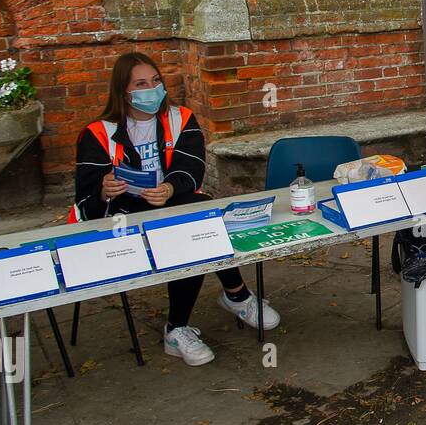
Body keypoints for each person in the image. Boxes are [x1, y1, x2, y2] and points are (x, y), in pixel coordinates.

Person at [72, 52, 279, 366]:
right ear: (123, 92)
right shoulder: (97, 133)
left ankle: (186, 323)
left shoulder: (180, 117)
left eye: (155, 81)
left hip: (168, 203)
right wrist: (104, 190)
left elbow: (192, 167)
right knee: (188, 227)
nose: (152, 89)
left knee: (199, 216)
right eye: (141, 84)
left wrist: (169, 188)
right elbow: (86, 195)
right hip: (121, 216)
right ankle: (234, 296)